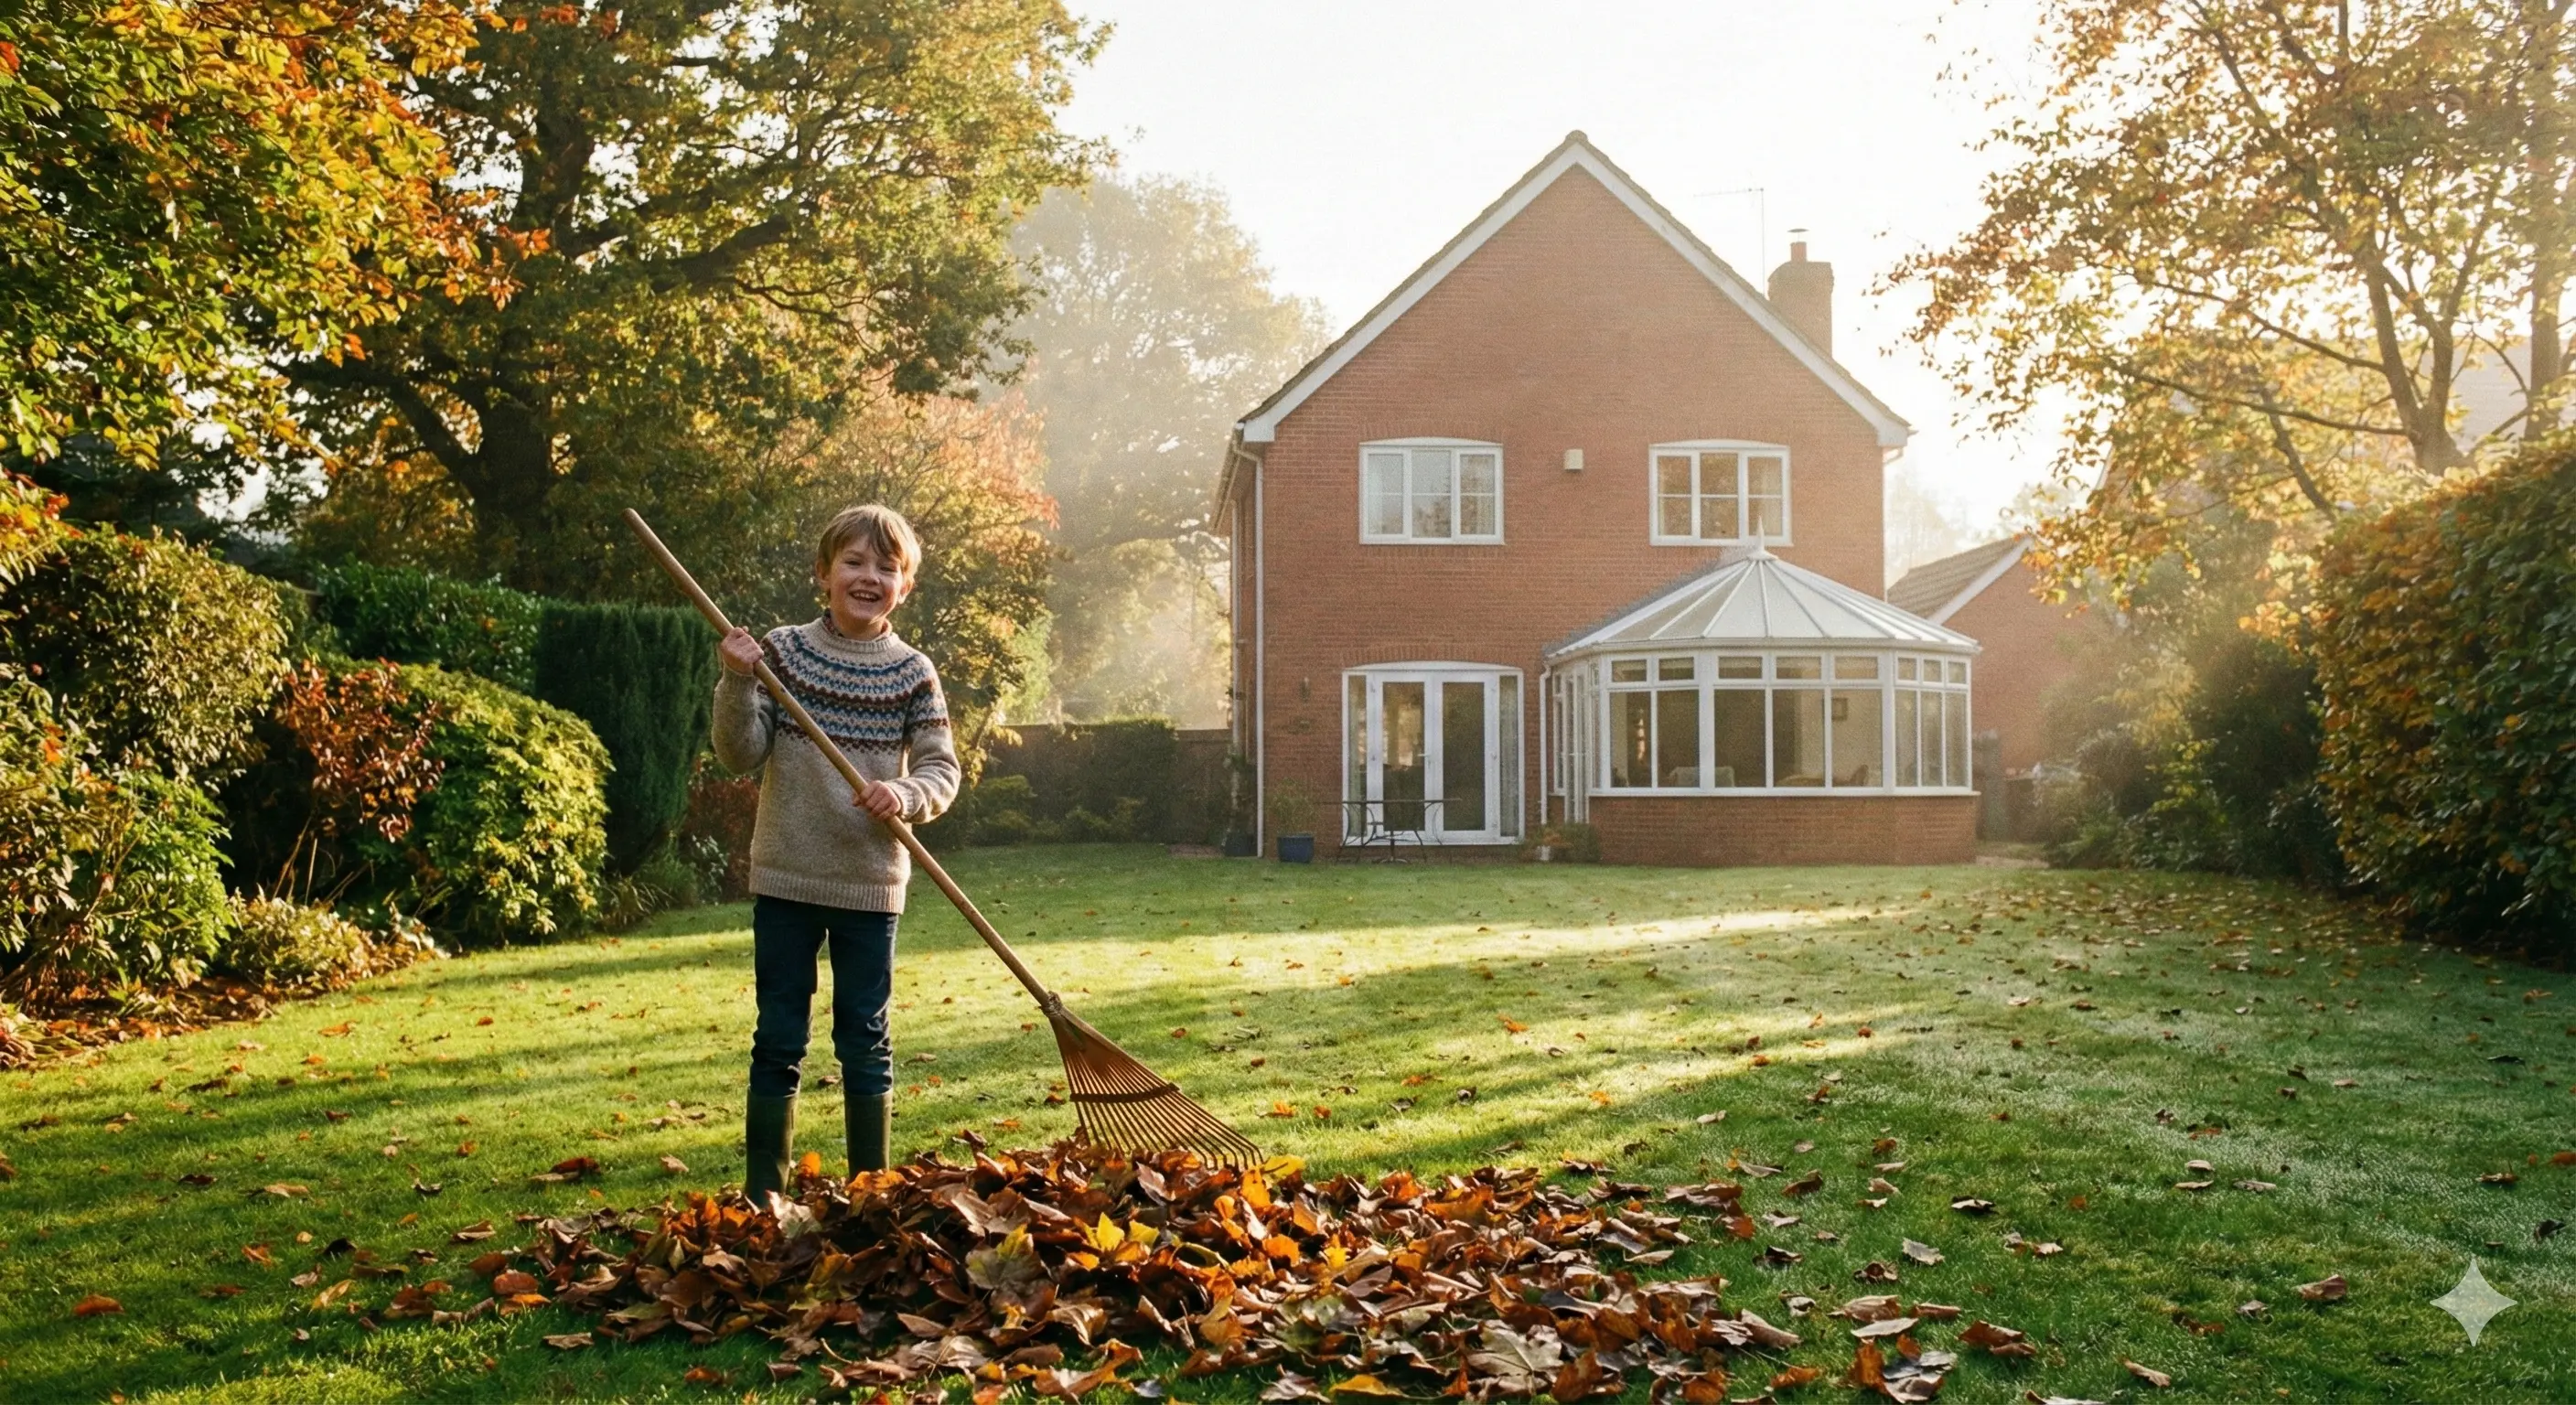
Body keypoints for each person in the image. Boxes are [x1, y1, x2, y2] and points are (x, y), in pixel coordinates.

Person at [710, 504, 959, 1201]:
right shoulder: (780, 653)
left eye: (887, 567)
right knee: (779, 1038)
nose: (869, 577)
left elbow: (943, 769)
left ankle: (871, 1193)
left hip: (869, 884)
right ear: (823, 574)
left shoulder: (913, 672)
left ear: (904, 587)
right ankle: (764, 1196)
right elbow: (739, 753)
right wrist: (736, 680)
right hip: (788, 875)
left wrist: (904, 795)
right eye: (854, 562)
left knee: (864, 1041)